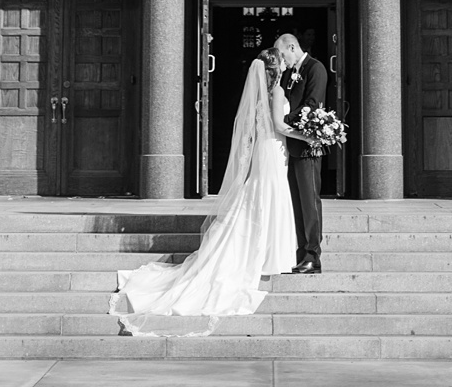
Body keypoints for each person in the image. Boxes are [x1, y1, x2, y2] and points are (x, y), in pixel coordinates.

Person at [110, 51, 294, 335]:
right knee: (269, 198)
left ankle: (265, 254)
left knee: (258, 197)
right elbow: (280, 126)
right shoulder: (278, 91)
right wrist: (311, 133)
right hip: (273, 150)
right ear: (277, 67)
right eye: (282, 61)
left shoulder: (260, 94)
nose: (285, 65)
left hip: (263, 153)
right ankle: (269, 256)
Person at [273, 30, 331, 274]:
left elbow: (312, 105)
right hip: (291, 147)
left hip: (307, 147)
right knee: (296, 203)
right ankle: (300, 254)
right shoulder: (289, 74)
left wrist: (281, 120)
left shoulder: (315, 68)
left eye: (283, 53)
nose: (281, 59)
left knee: (309, 202)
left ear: (292, 47)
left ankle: (312, 257)